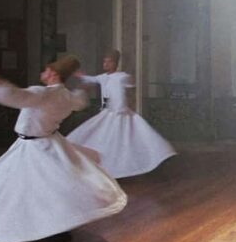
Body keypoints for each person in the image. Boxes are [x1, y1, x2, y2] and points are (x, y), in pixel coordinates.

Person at [0, 56, 127, 242]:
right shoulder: (67, 96)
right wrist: (83, 88)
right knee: (51, 188)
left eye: (45, 71)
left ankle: (37, 228)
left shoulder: (43, 93)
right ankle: (54, 228)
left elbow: (14, 95)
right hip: (50, 143)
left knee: (26, 189)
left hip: (35, 146)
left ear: (53, 74)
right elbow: (79, 101)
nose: (42, 74)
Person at [66, 50, 176, 178]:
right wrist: (80, 75)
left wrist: (125, 106)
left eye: (110, 61)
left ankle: (129, 165)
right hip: (108, 112)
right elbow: (92, 79)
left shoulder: (122, 77)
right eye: (105, 61)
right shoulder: (103, 77)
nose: (106, 64)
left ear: (116, 63)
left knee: (126, 138)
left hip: (121, 113)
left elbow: (130, 89)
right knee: (97, 135)